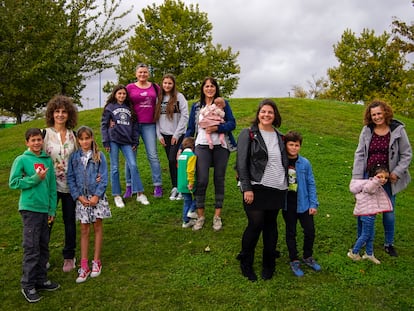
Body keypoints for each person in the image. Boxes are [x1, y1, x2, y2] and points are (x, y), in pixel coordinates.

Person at [236, 99, 288, 281]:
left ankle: (269, 264)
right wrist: (246, 187)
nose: (266, 115)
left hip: (278, 186)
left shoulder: (281, 136)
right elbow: (240, 163)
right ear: (258, 114)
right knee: (255, 224)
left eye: (270, 112)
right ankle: (246, 261)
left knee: (271, 225)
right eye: (263, 111)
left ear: (275, 116)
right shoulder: (248, 134)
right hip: (256, 186)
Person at [352, 99, 412, 257]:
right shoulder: (367, 130)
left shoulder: (398, 130)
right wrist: (357, 178)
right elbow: (359, 153)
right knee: (363, 210)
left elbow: (406, 154)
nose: (377, 117)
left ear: (385, 112)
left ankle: (389, 243)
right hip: (368, 177)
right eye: (373, 115)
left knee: (389, 212)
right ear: (370, 116)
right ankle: (361, 239)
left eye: (379, 113)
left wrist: (397, 172)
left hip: (388, 178)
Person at [9, 128, 60, 303]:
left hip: (44, 210)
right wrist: (34, 179)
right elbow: (14, 183)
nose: (37, 143)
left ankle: (40, 280)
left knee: (43, 246)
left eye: (39, 139)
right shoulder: (22, 160)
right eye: (33, 140)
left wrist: (51, 210)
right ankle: (28, 285)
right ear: (27, 142)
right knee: (32, 248)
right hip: (30, 209)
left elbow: (52, 187)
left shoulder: (47, 160)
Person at [184, 77, 237, 232]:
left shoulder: (223, 104)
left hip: (221, 145)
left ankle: (217, 216)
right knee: (202, 180)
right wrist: (184, 145)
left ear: (216, 88)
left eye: (212, 86)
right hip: (201, 145)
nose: (209, 89)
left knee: (219, 179)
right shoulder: (196, 107)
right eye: (206, 86)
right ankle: (200, 217)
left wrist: (217, 129)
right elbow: (190, 129)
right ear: (202, 88)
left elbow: (232, 123)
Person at [67, 126, 111, 283]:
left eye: (87, 138)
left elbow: (104, 177)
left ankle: (96, 261)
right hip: (82, 200)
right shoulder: (74, 158)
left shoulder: (99, 156)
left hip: (96, 199)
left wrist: (97, 196)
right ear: (78, 140)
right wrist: (78, 196)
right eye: (82, 139)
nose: (85, 141)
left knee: (97, 227)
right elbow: (70, 178)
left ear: (92, 138)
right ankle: (84, 265)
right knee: (84, 230)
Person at [43, 95, 78, 272]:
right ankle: (43, 256)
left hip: (70, 186)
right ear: (52, 113)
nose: (60, 115)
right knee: (47, 221)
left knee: (69, 221)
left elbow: (79, 159)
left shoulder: (74, 135)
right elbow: (36, 158)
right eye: (57, 111)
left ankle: (69, 256)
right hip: (49, 186)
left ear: (69, 114)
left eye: (64, 111)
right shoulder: (44, 134)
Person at [101, 85, 149, 207]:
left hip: (127, 141)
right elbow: (104, 125)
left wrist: (135, 141)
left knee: (133, 165)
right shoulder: (109, 108)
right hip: (113, 140)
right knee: (115, 168)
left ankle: (140, 194)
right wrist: (106, 141)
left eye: (124, 94)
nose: (122, 96)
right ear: (115, 94)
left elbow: (135, 127)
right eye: (119, 93)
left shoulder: (130, 108)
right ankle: (117, 195)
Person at [282, 131, 321, 277]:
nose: (293, 148)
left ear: (300, 146)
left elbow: (311, 183)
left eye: (296, 145)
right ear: (286, 145)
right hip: (288, 204)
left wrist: (313, 204)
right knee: (290, 232)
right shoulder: (281, 161)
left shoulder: (305, 163)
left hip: (304, 203)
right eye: (291, 145)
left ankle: (307, 256)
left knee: (310, 231)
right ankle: (294, 259)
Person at [125, 63, 163, 198]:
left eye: (145, 72)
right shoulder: (129, 88)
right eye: (140, 72)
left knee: (153, 155)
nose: (143, 75)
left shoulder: (155, 87)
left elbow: (164, 100)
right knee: (131, 157)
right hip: (132, 126)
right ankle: (129, 186)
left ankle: (157, 185)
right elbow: (120, 101)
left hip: (149, 125)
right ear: (136, 74)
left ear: (149, 74)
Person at [348, 165, 393, 264]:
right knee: (366, 234)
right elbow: (369, 189)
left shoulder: (375, 184)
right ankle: (354, 252)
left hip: (369, 213)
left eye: (386, 177)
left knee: (371, 235)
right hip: (367, 214)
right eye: (380, 176)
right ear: (374, 176)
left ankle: (369, 253)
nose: (383, 179)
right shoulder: (371, 184)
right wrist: (376, 181)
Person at [154, 73, 189, 201]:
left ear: (173, 84)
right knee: (171, 161)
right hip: (165, 136)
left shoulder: (179, 97)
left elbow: (185, 116)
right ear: (162, 84)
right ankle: (175, 187)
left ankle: (181, 187)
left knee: (176, 160)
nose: (167, 85)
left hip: (178, 135)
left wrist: (177, 134)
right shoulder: (159, 98)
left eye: (169, 83)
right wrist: (159, 135)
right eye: (165, 83)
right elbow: (156, 118)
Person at [177, 137, 198, 228]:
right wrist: (191, 182)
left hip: (180, 183)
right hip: (188, 182)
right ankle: (192, 211)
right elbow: (190, 170)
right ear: (193, 146)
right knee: (198, 197)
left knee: (186, 201)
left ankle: (186, 221)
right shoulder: (192, 156)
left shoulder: (180, 156)